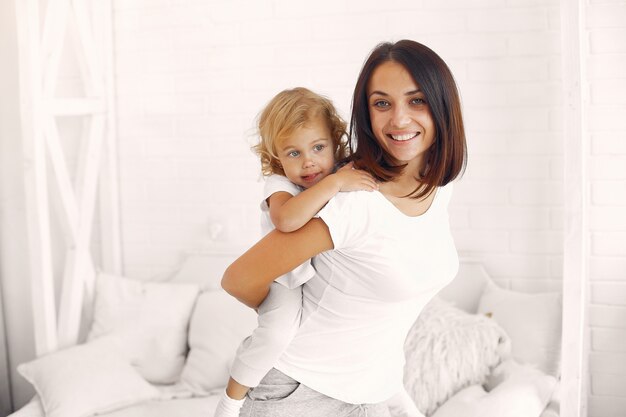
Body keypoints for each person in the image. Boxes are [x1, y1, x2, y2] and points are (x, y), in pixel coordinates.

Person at [222, 39, 467, 417]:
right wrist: (284, 312)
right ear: (366, 115)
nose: (399, 119)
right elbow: (239, 278)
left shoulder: (439, 190)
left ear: (442, 107)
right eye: (382, 103)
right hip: (301, 394)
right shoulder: (355, 202)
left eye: (416, 100)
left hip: (373, 390)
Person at [214, 87, 379, 417]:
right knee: (277, 334)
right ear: (277, 159)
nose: (308, 162)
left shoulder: (337, 171)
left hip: (320, 280)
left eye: (318, 147)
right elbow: (287, 221)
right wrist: (333, 184)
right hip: (285, 281)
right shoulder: (280, 185)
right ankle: (230, 401)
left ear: (335, 143)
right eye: (293, 154)